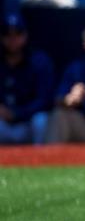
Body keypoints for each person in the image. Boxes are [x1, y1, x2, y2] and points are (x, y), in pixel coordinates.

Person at [0, 14, 54, 144]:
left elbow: (44, 100)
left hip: (28, 122)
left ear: (25, 35)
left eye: (18, 33)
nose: (13, 39)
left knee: (40, 120)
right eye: (7, 34)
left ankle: (40, 161)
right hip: (2, 124)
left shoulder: (39, 61)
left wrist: (17, 113)